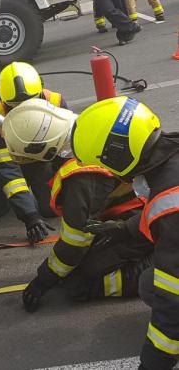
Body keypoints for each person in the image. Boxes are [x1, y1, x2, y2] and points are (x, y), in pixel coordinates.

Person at [0, 99, 152, 312]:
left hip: (149, 221)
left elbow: (75, 243)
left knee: (78, 281)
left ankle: (157, 267)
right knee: (75, 265)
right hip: (148, 207)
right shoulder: (88, 126)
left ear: (45, 150)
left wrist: (44, 280)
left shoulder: (81, 178)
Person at [72, 97, 179, 370]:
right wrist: (125, 228)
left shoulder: (168, 207)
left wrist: (153, 363)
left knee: (156, 287)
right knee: (150, 282)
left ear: (117, 156)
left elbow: (172, 302)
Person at [0, 62, 65, 244]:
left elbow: (67, 153)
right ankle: (17, 196)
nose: (25, 113)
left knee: (52, 209)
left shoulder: (56, 103)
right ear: (2, 99)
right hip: (12, 164)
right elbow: (6, 167)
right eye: (16, 107)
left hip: (43, 164)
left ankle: (37, 193)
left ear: (41, 91)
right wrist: (29, 215)